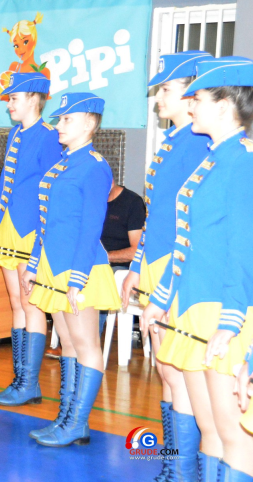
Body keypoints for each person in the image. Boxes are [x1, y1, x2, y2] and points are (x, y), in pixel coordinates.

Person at [144, 57, 253, 481]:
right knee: (211, 429)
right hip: (193, 303)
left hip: (221, 308)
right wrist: (161, 298)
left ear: (224, 107)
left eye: (199, 99)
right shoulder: (213, 160)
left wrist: (231, 319)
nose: (191, 106)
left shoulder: (242, 163)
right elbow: (185, 243)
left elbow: (243, 250)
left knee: (234, 437)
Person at [126, 51, 211, 481]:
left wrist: (163, 277)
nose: (159, 98)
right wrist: (138, 265)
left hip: (175, 271)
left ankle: (182, 470)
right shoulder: (176, 139)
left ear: (192, 92)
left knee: (178, 373)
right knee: (166, 370)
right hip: (157, 265)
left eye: (166, 89)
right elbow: (156, 214)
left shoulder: (196, 143)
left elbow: (189, 223)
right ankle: (174, 463)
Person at [21, 92, 121, 447]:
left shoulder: (94, 166)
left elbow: (91, 228)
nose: (59, 124)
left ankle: (77, 422)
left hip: (80, 269)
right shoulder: (61, 165)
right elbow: (45, 223)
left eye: (67, 119)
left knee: (86, 344)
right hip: (53, 267)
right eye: (60, 118)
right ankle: (66, 418)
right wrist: (34, 264)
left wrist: (78, 279)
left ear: (90, 123)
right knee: (68, 345)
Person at [0, 72, 61, 407]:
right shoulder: (15, 133)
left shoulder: (48, 136)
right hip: (9, 227)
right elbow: (4, 187)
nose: (9, 104)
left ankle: (30, 383)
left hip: (31, 229)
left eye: (14, 98)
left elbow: (51, 193)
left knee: (30, 302)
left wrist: (41, 238)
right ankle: (20, 379)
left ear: (34, 99)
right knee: (15, 302)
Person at [100, 179, 145, 270]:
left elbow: (137, 251)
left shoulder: (133, 202)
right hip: (92, 264)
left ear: (111, 181)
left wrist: (101, 258)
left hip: (119, 266)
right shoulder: (91, 202)